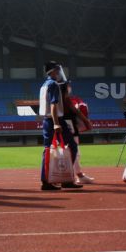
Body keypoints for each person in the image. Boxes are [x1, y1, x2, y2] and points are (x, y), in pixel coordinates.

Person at [39, 61, 82, 191]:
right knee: (72, 147)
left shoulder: (44, 85)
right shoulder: (53, 84)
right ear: (51, 71)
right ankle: (66, 179)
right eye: (57, 70)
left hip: (47, 121)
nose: (58, 73)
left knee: (48, 150)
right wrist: (57, 124)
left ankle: (46, 180)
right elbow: (53, 105)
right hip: (55, 120)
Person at [61, 81, 94, 184]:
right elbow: (76, 111)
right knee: (73, 151)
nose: (70, 87)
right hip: (69, 126)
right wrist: (86, 121)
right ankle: (75, 175)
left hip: (68, 126)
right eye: (68, 86)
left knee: (72, 151)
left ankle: (76, 174)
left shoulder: (63, 99)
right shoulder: (65, 99)